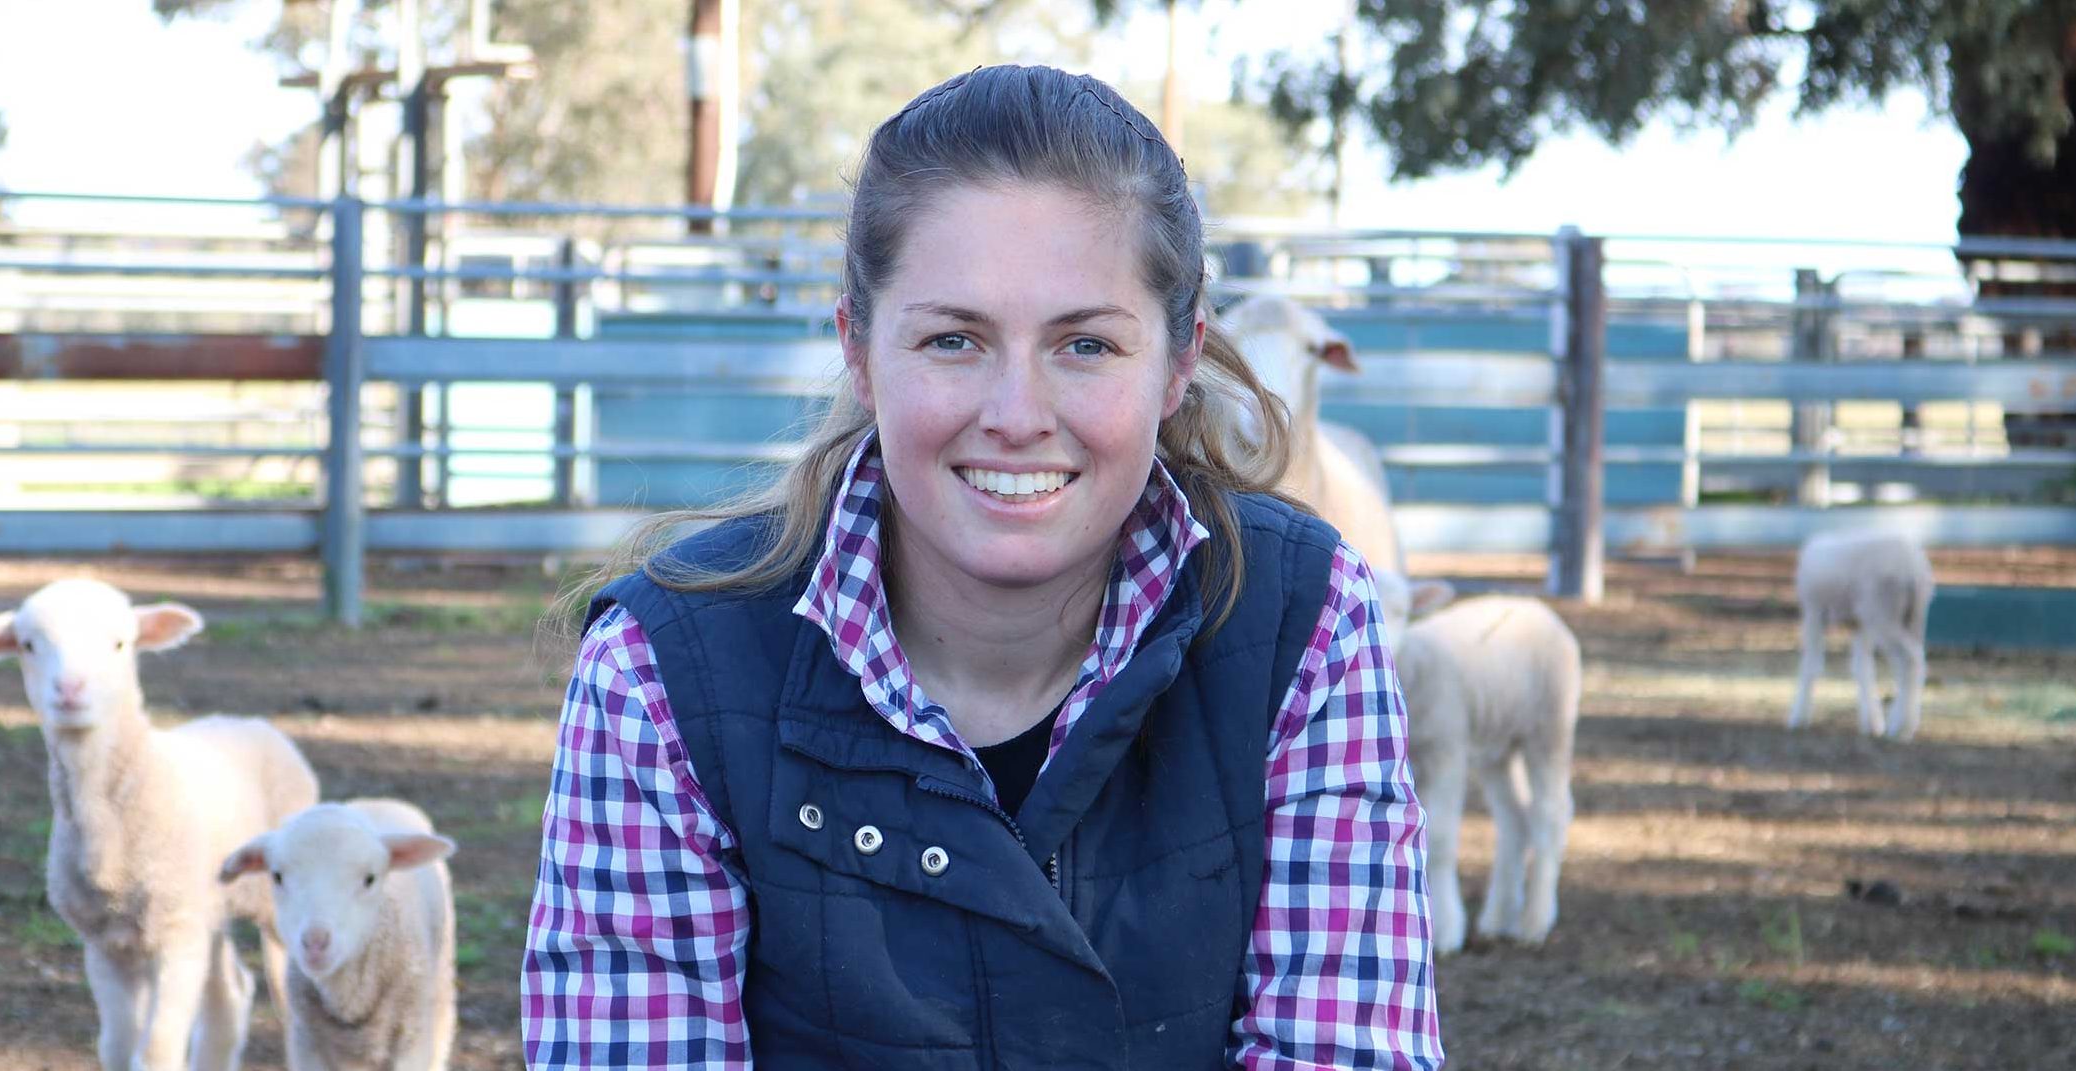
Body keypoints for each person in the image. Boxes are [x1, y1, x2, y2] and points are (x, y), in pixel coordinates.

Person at [520, 64, 1442, 1070]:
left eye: (1084, 345)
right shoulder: (661, 679)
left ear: (1178, 365)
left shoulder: (1299, 624)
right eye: (954, 339)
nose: (1014, 414)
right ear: (861, 352)